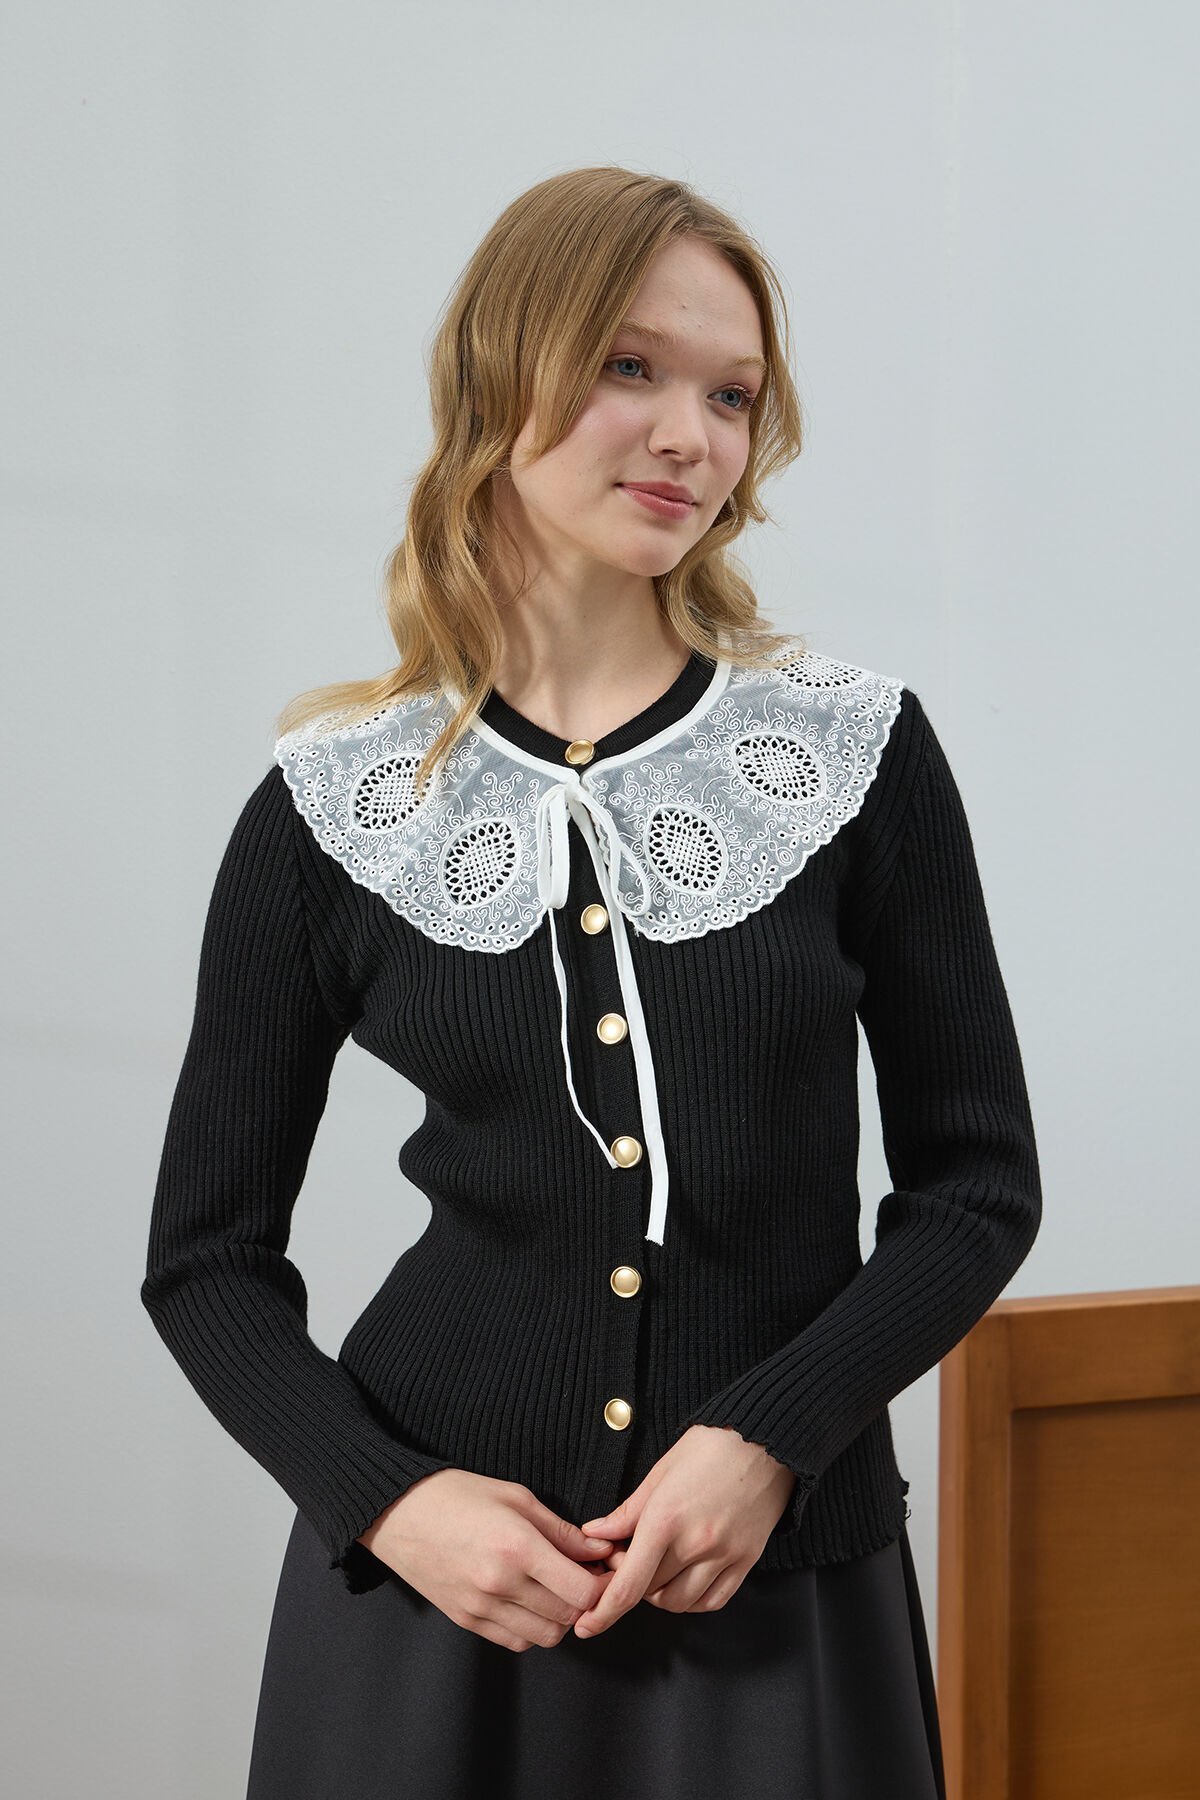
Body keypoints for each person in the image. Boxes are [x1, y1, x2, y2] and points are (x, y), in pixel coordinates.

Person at [141, 165, 1041, 1799]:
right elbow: (205, 1262)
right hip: (436, 1605)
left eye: (732, 395)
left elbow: (978, 1188)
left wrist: (772, 1437)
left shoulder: (853, 757)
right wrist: (389, 1501)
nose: (690, 435)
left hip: (780, 1586)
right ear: (503, 374)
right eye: (632, 368)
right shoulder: (331, 809)